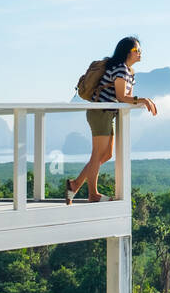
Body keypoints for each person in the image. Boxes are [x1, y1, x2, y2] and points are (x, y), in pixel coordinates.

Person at [66, 36, 156, 203]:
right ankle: (92, 194)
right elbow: (123, 96)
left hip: (107, 113)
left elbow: (124, 97)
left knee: (106, 154)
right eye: (137, 50)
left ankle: (75, 184)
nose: (140, 53)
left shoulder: (128, 72)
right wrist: (143, 100)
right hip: (101, 112)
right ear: (127, 52)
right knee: (97, 153)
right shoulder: (120, 69)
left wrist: (142, 100)